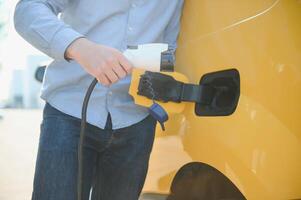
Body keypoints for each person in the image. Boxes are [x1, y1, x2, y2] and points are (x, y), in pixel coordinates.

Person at [14, 0, 184, 199]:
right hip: (69, 113)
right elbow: (28, 9)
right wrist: (81, 48)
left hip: (138, 120)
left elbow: (170, 46)